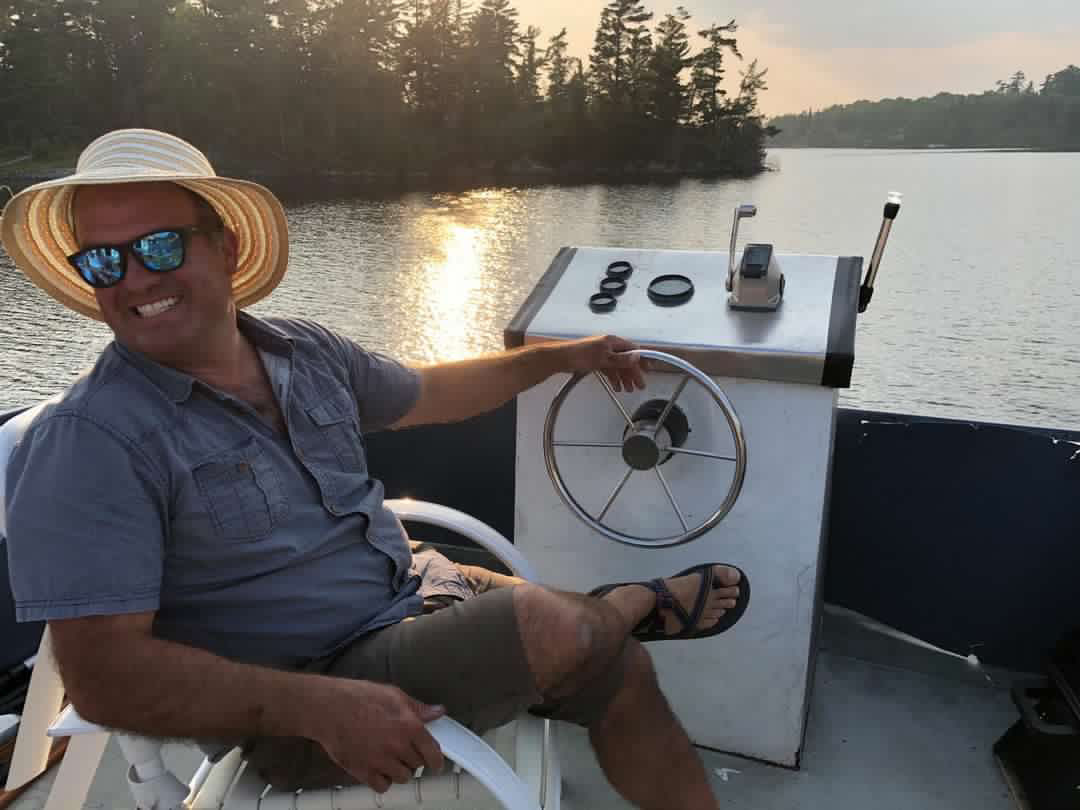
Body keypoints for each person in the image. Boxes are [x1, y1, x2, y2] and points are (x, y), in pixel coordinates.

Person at [0, 129, 749, 810]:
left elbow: (433, 390)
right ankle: (620, 606)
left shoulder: (302, 352)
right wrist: (312, 707)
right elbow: (102, 678)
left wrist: (564, 356)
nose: (133, 279)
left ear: (226, 247)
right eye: (103, 260)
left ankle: (607, 626)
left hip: (405, 590)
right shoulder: (90, 442)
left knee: (615, 673)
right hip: (306, 695)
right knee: (557, 623)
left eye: (160, 246)